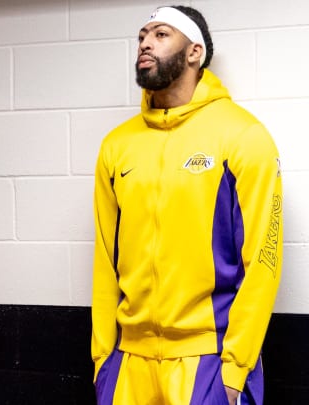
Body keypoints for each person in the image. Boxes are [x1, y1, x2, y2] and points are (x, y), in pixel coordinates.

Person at [91, 6, 282, 405]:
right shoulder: (116, 146)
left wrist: (234, 371)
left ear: (194, 52)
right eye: (142, 35)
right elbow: (105, 259)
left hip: (207, 363)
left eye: (161, 35)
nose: (145, 43)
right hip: (128, 364)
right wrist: (102, 362)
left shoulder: (243, 136)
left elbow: (263, 261)